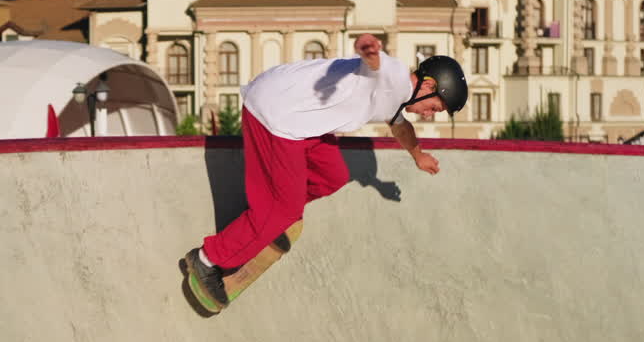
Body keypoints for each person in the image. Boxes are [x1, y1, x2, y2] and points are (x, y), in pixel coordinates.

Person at [185, 33, 468, 308]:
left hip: (302, 121)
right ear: (428, 85)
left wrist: (417, 155)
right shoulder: (392, 75)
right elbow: (372, 60)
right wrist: (368, 46)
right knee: (284, 210)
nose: (429, 115)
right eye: (434, 107)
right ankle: (207, 259)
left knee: (332, 175)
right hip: (277, 114)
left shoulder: (397, 97)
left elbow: (400, 125)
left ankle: (264, 215)